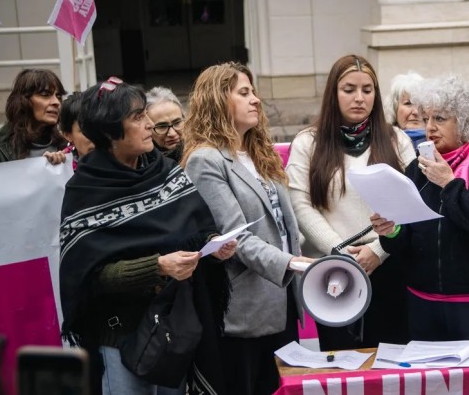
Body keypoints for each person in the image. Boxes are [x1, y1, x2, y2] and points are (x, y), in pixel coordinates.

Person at [59, 77, 236, 395]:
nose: (149, 124)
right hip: (119, 336)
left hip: (173, 327)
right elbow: (89, 277)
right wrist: (158, 266)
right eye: (138, 117)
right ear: (110, 131)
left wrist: (213, 245)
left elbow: (196, 229)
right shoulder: (85, 190)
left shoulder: (165, 170)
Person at [182, 62, 314, 395]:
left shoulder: (260, 153)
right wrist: (290, 262)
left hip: (283, 300)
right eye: (244, 93)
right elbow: (236, 236)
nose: (255, 99)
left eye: (253, 92)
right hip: (245, 311)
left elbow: (283, 225)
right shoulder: (206, 160)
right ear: (217, 100)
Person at [370, 75, 469, 346]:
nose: (429, 127)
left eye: (439, 118)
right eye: (426, 118)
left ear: (465, 121)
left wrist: (449, 184)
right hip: (423, 302)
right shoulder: (417, 168)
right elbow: (405, 239)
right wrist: (391, 231)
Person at [286, 54, 415, 350]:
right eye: (349, 89)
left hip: (389, 266)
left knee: (390, 364)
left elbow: (412, 203)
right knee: (342, 363)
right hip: (334, 272)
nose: (359, 98)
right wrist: (340, 252)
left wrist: (378, 251)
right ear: (333, 93)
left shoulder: (397, 140)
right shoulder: (308, 142)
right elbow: (300, 204)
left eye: (367, 90)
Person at [0, 69, 68, 164]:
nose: (56, 102)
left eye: (58, 97)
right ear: (23, 101)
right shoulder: (1, 148)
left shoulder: (66, 143)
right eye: (45, 95)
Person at [386, 71, 426, 149]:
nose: (416, 112)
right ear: (394, 108)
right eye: (408, 103)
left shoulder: (440, 144)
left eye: (420, 104)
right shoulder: (382, 144)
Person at [145, 87, 185, 163]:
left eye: (177, 123)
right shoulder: (139, 163)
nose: (172, 134)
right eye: (162, 127)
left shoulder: (199, 153)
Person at [59, 91, 95, 168]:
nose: (94, 136)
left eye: (99, 127)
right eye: (85, 129)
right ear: (67, 135)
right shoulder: (62, 166)